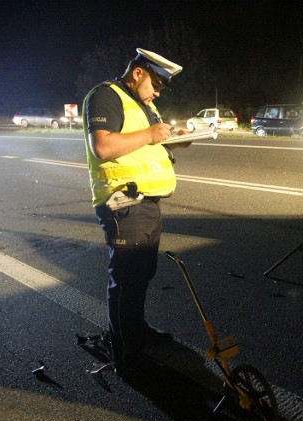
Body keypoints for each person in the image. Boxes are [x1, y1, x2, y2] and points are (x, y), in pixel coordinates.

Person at [82, 48, 190, 375]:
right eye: (156, 83)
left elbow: (151, 144)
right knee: (126, 281)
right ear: (138, 73)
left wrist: (177, 140)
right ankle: (128, 357)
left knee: (141, 276)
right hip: (123, 203)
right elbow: (102, 146)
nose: (158, 92)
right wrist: (150, 134)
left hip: (147, 203)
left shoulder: (145, 105)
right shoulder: (105, 96)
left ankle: (136, 332)